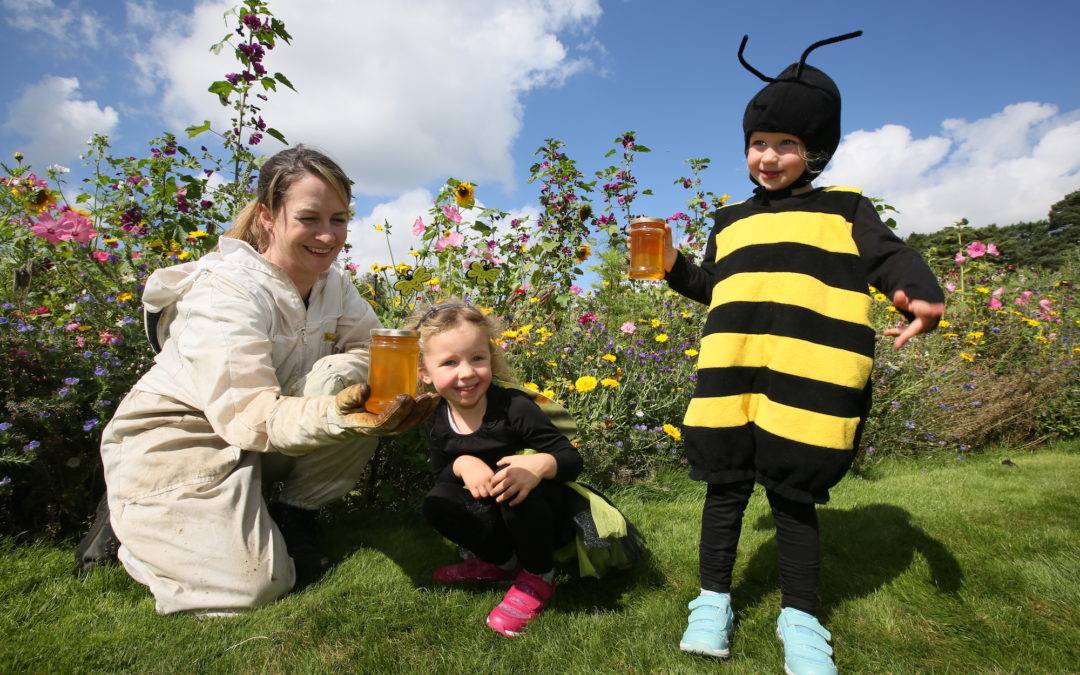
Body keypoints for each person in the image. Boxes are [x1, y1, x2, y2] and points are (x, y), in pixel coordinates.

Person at [660, 32, 945, 674]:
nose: (768, 157)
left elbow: (890, 256)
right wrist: (676, 266)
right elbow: (715, 288)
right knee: (723, 490)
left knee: (792, 499)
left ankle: (802, 617)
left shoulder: (844, 210)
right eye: (758, 144)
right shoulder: (730, 221)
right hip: (732, 374)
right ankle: (712, 601)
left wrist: (918, 294)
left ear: (813, 152)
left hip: (807, 375)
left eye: (785, 144)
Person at [76, 146, 439, 615]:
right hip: (181, 438)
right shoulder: (226, 291)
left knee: (356, 378)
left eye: (339, 219)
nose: (328, 236)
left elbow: (371, 349)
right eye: (309, 218)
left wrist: (433, 373)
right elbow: (249, 415)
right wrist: (338, 411)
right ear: (268, 216)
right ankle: (130, 524)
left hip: (261, 435)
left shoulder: (334, 286)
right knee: (253, 588)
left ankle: (295, 515)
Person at [411, 300, 584, 638]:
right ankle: (501, 563)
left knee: (514, 491)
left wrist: (539, 464)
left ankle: (538, 576)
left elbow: (571, 459)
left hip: (538, 513)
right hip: (492, 516)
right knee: (437, 503)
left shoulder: (514, 408)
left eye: (477, 358)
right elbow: (440, 474)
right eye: (449, 362)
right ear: (425, 373)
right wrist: (462, 463)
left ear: (490, 358)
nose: (466, 373)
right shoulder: (435, 419)